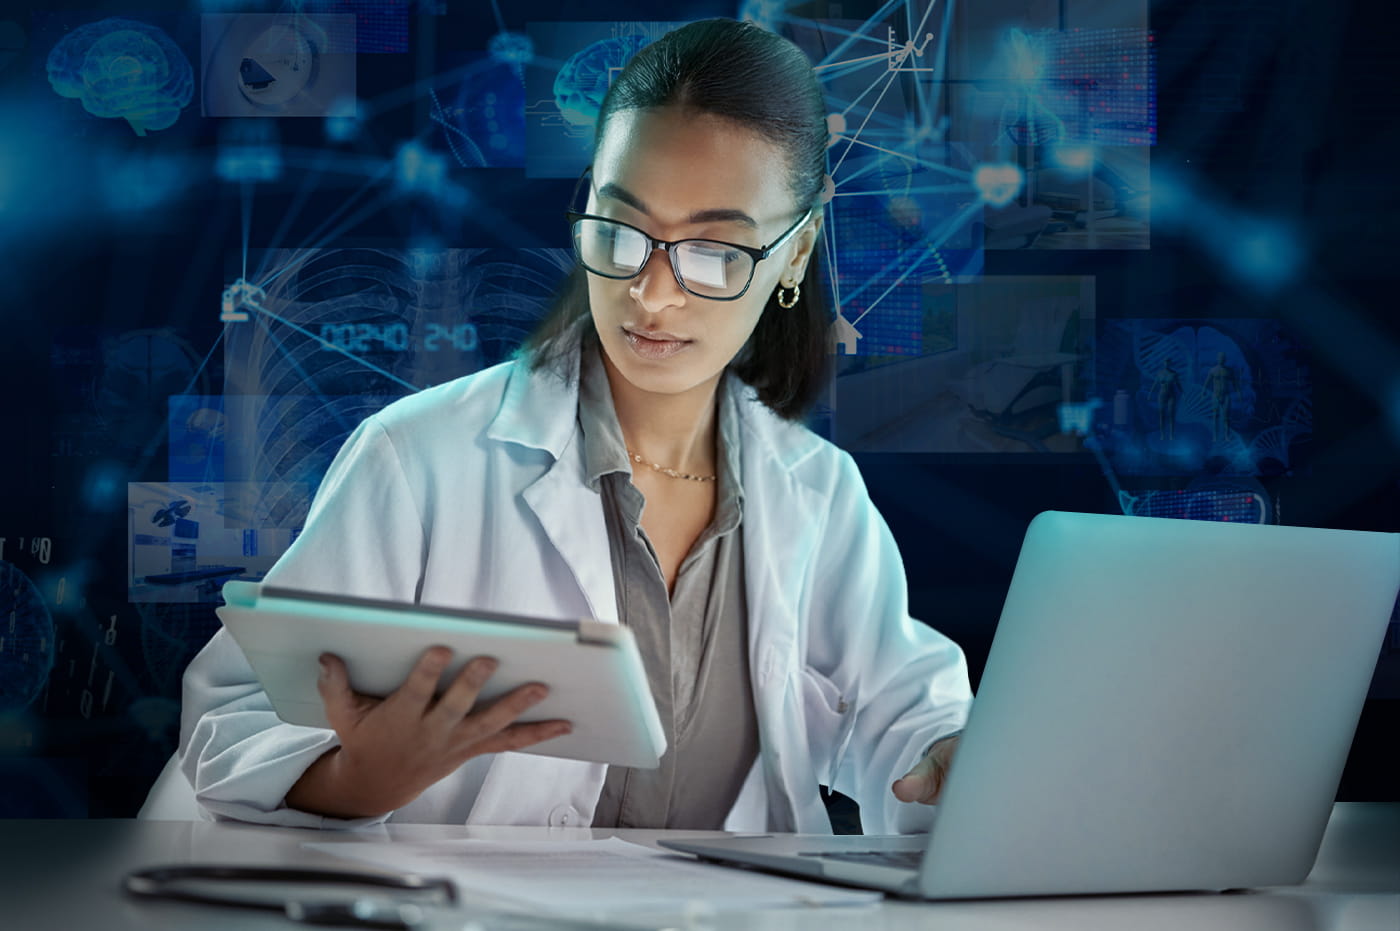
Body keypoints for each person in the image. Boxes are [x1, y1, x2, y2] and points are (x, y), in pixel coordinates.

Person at [176, 18, 971, 834]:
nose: (653, 293)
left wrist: (947, 754)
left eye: (714, 251)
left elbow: (896, 712)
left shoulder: (819, 490)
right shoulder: (417, 460)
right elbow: (232, 718)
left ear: (796, 254)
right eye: (622, 229)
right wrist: (355, 779)